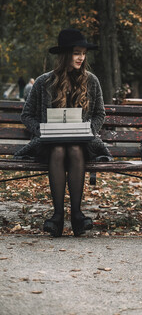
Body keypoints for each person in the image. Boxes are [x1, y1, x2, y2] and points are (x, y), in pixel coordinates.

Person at [14, 28, 113, 238]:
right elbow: (27, 115)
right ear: (65, 54)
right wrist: (43, 130)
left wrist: (88, 130)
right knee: (59, 149)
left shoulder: (91, 81)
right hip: (50, 145)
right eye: (77, 52)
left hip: (82, 143)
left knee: (75, 149)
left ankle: (77, 215)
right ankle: (57, 216)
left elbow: (99, 114)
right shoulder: (44, 82)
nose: (81, 57)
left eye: (84, 53)